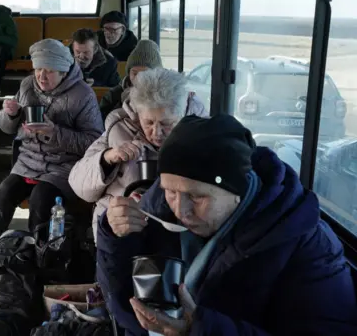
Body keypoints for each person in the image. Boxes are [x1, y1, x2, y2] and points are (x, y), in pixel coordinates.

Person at [96, 115, 357, 335]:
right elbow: (126, 310)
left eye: (197, 196)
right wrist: (116, 238)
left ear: (237, 191)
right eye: (170, 191)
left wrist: (200, 329)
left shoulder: (305, 245)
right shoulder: (156, 213)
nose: (179, 209)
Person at [0, 39, 104, 249]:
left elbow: (93, 142)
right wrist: (10, 114)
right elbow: (7, 128)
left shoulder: (83, 95)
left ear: (63, 72)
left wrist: (54, 132)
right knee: (3, 194)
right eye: (38, 69)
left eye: (49, 71)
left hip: (64, 166)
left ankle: (40, 251)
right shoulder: (26, 85)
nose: (41, 76)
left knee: (40, 201)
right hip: (28, 162)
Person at [69, 68, 207, 242]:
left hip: (178, 228)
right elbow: (77, 183)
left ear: (182, 114)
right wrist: (107, 158)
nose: (156, 132)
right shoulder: (119, 128)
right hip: (120, 227)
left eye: (166, 124)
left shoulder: (201, 133)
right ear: (137, 114)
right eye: (148, 122)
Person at [99, 40, 163, 119]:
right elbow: (102, 123)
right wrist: (123, 105)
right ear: (128, 73)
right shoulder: (113, 96)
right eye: (135, 73)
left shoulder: (165, 96)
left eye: (145, 74)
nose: (139, 78)